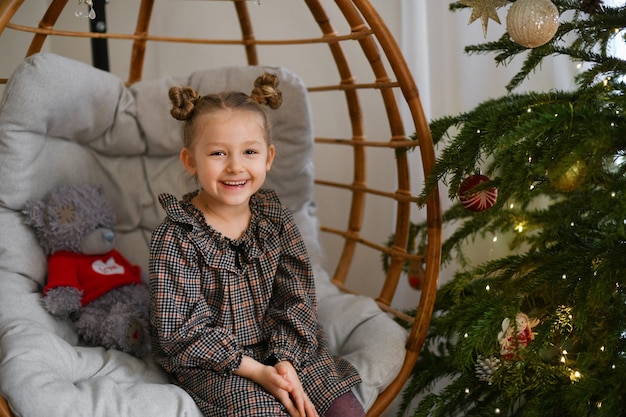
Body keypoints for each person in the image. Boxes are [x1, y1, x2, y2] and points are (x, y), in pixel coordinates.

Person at [149, 73, 364, 417]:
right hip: (214, 362)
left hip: (281, 344)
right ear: (190, 160)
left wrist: (286, 363)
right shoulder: (177, 236)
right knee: (262, 411)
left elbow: (295, 298)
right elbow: (181, 331)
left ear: (268, 157)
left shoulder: (274, 219)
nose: (236, 166)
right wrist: (255, 371)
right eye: (218, 153)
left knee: (342, 407)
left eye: (249, 151)